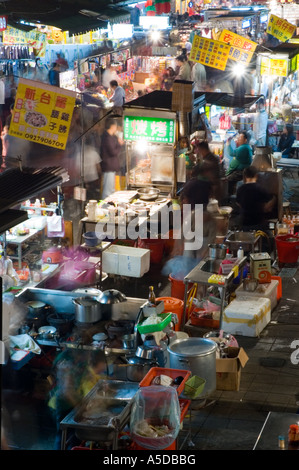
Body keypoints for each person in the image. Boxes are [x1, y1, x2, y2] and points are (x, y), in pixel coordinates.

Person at [48, 349, 107, 450]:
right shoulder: (67, 362)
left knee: (73, 437)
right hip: (64, 406)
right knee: (63, 436)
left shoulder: (81, 362)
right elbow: (67, 393)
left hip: (72, 403)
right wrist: (81, 407)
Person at [100, 118, 123, 199]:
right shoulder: (107, 138)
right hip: (108, 166)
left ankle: (109, 205)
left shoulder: (111, 136)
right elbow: (113, 152)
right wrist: (120, 144)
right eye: (116, 126)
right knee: (107, 190)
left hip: (111, 166)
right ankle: (105, 206)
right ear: (112, 126)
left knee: (111, 188)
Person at [226, 131, 253, 195]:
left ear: (245, 140)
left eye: (240, 138)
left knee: (227, 180)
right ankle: (231, 194)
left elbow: (231, 153)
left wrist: (228, 143)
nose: (238, 139)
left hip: (240, 172)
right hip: (241, 170)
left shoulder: (243, 148)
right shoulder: (245, 147)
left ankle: (230, 197)